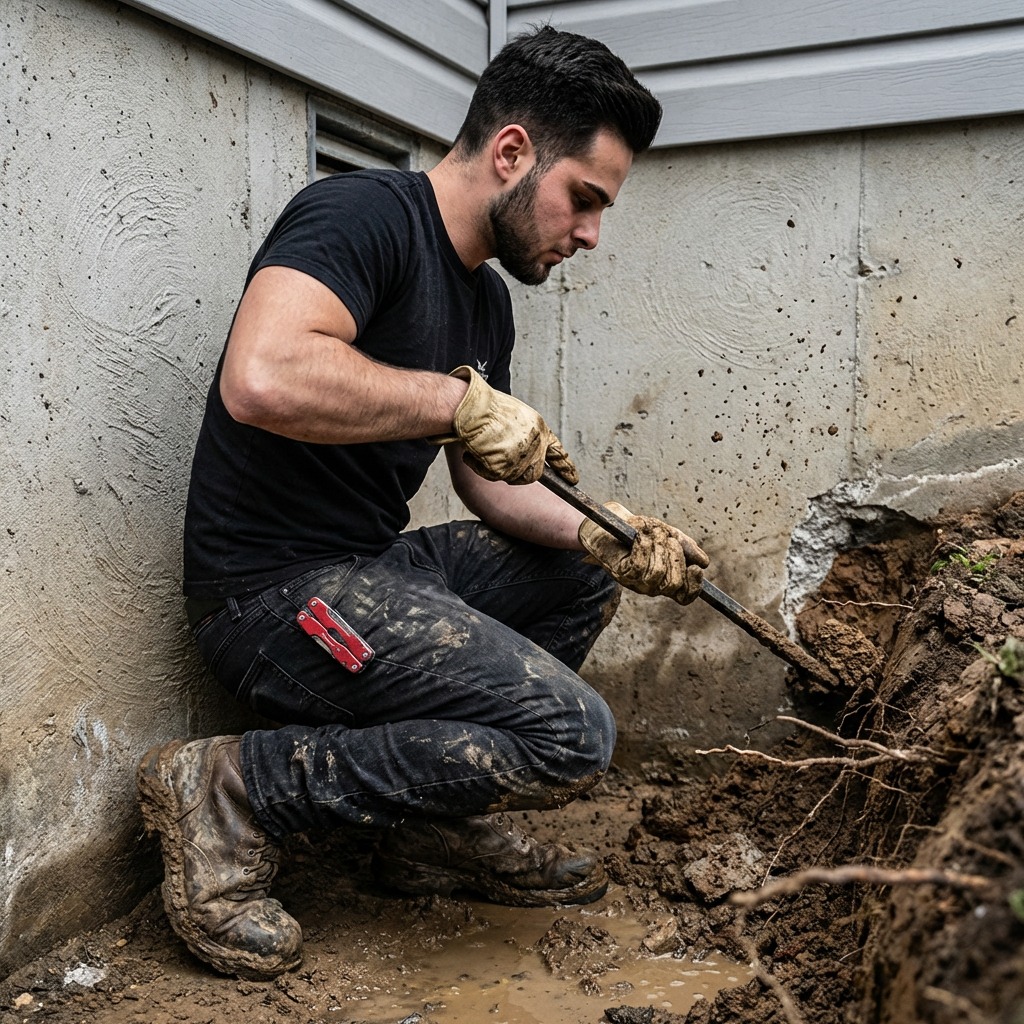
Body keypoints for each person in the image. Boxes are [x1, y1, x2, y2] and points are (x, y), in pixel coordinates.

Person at [137, 25, 709, 980]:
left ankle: (427, 829)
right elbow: (263, 376)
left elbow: (487, 485)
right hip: (271, 594)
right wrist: (455, 401)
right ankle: (233, 787)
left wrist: (608, 533)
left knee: (577, 576)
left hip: (371, 568)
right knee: (571, 736)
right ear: (513, 152)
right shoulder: (359, 214)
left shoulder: (486, 303)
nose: (590, 235)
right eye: (585, 199)